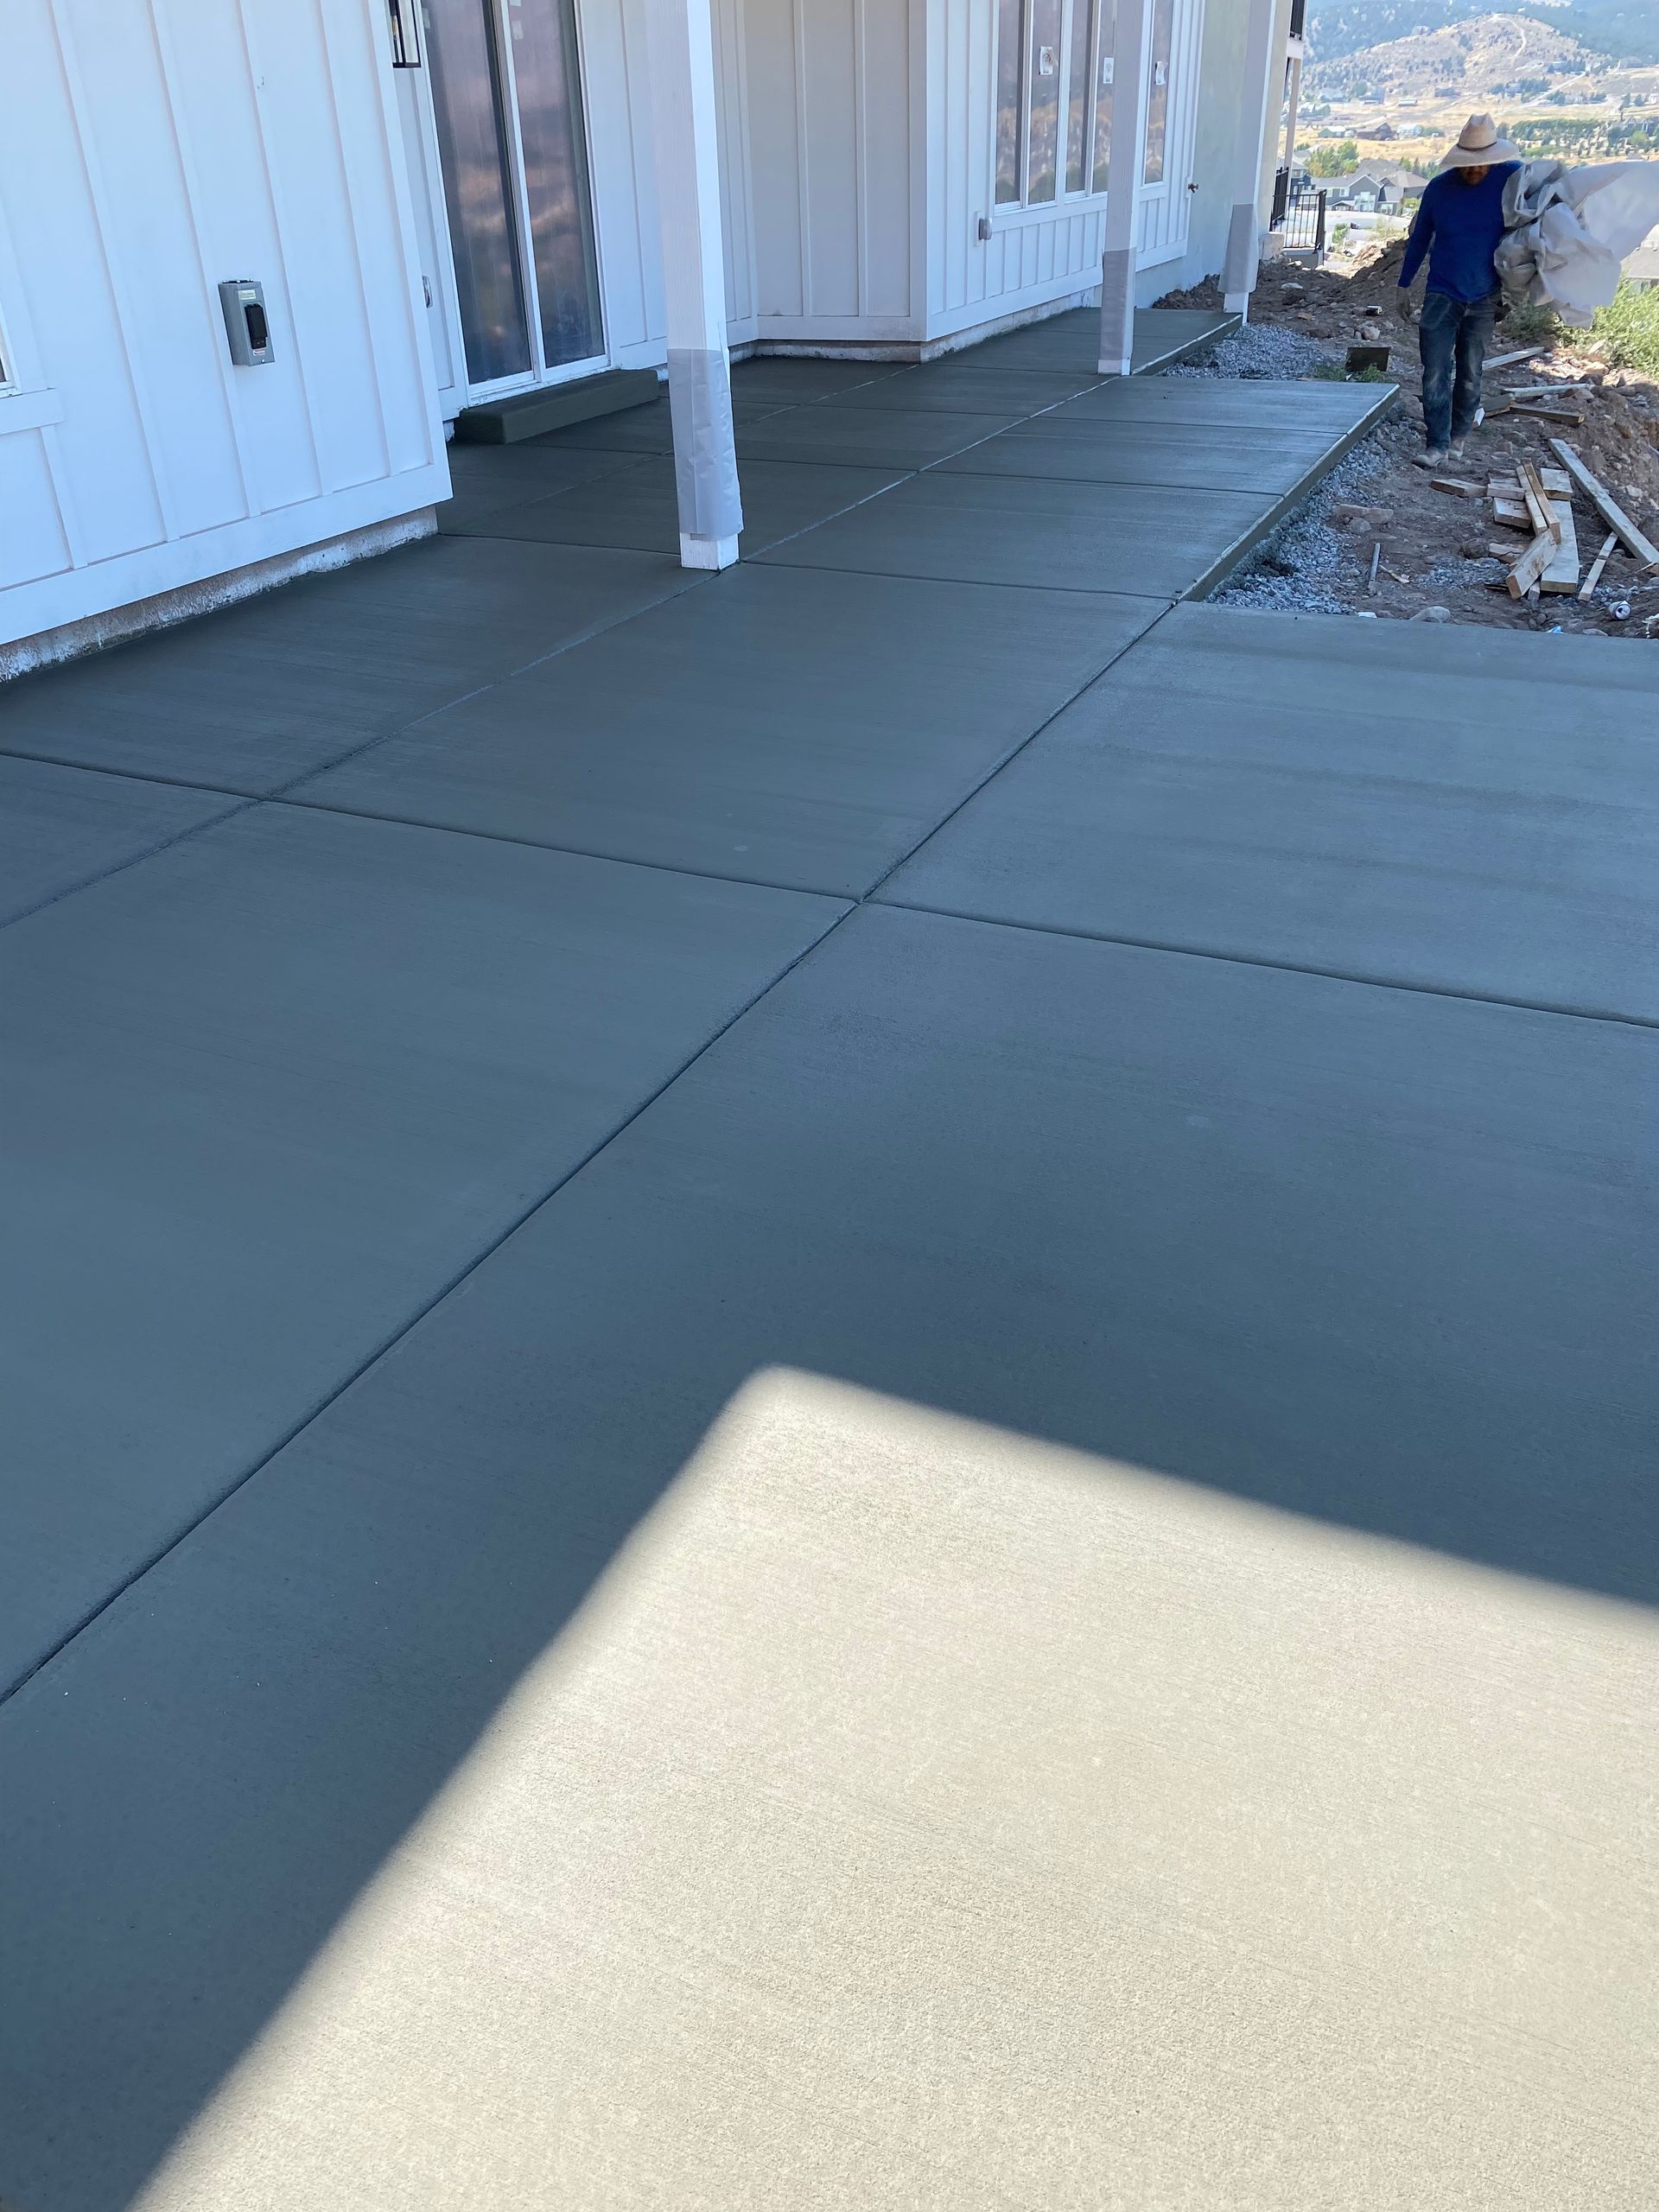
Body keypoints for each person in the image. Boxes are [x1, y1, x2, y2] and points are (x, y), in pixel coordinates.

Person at [1396, 115, 1522, 468]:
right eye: (1468, 164)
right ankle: (1436, 443)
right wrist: (1403, 285)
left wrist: (1517, 288)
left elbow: (1540, 210)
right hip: (1442, 292)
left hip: (1485, 295)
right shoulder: (1439, 189)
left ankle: (1458, 435)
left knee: (1470, 370)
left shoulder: (1510, 179)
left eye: (1482, 164)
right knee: (1435, 370)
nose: (1475, 170)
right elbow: (1420, 238)